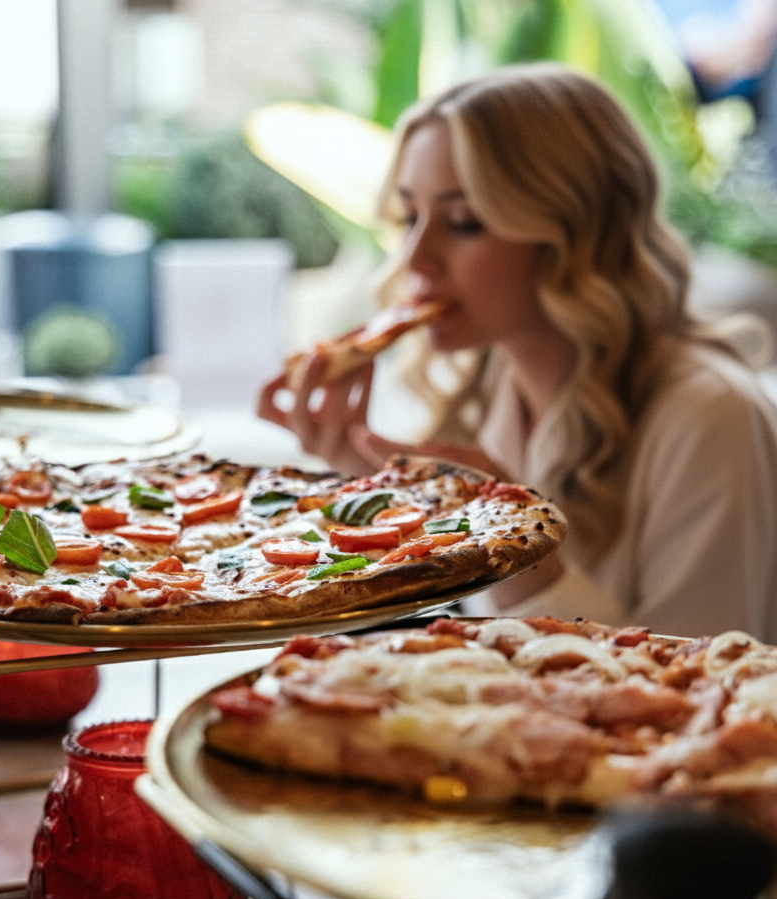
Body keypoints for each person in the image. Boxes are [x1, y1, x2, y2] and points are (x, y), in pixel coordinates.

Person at [258, 62, 777, 642]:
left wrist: (503, 531)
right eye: (409, 218)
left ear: (573, 233)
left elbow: (695, 692)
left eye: (462, 222)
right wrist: (384, 498)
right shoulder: (495, 386)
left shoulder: (710, 417)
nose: (415, 258)